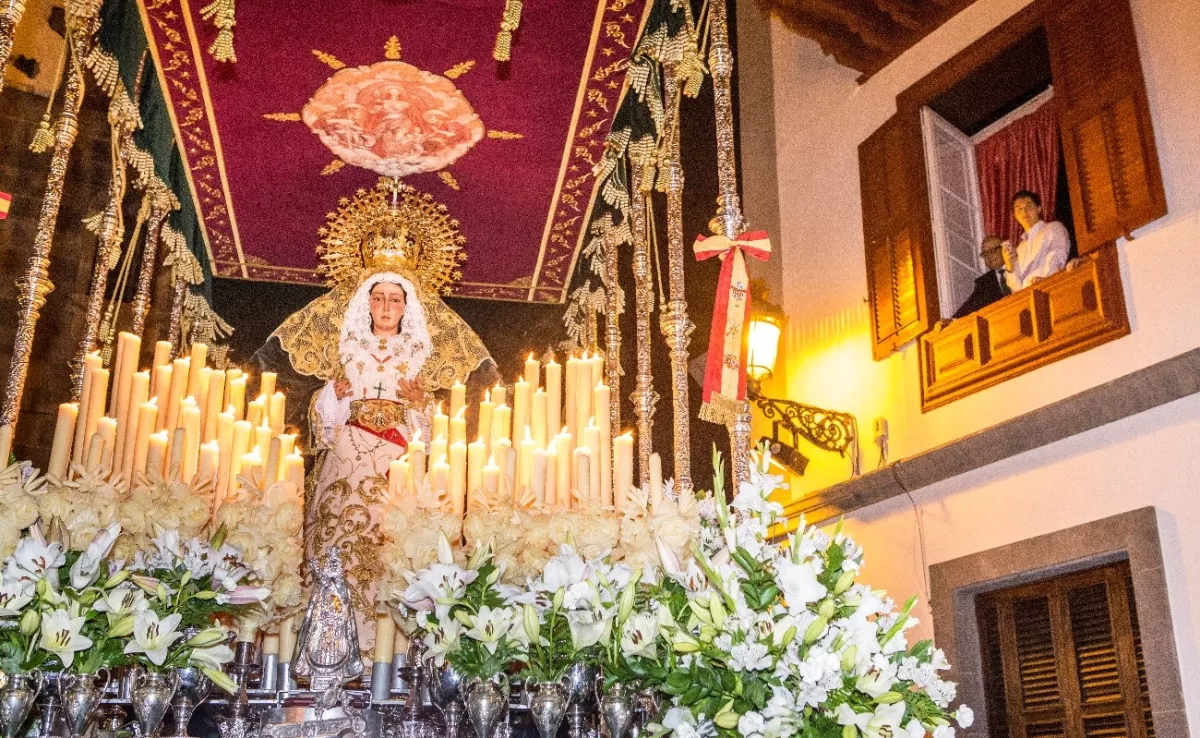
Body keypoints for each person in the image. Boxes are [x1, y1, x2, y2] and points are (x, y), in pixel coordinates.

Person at [256, 222, 496, 657]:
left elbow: (430, 431)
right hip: (349, 452)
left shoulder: (417, 353)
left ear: (407, 306)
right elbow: (322, 422)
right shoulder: (349, 347)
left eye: (395, 299)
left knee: (392, 546)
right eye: (379, 298)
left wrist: (421, 402)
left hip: (397, 457)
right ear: (367, 303)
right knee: (336, 542)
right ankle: (324, 646)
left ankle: (386, 651)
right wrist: (334, 394)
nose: (386, 306)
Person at [1003, 190, 1071, 292]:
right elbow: (1016, 288)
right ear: (1015, 216)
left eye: (1028, 206)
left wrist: (1046, 281)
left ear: (1039, 209)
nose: (1024, 212)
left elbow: (1057, 255)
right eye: (1019, 209)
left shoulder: (1053, 228)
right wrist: (1010, 266)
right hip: (1026, 298)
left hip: (1050, 288)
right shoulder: (1019, 248)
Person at [953, 235, 1011, 318]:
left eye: (993, 251)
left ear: (1004, 249)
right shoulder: (984, 282)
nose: (989, 257)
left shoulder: (1020, 264)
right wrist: (951, 321)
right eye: (985, 254)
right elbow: (969, 307)